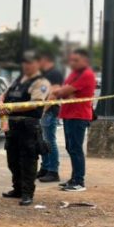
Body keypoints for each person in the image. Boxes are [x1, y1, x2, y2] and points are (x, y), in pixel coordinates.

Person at [0, 51, 51, 206]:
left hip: (28, 127)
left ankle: (27, 193)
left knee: (28, 161)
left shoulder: (41, 82)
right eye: (25, 62)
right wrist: (1, 102)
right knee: (12, 160)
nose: (27, 65)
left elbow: (34, 103)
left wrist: (9, 109)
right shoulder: (18, 80)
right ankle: (17, 189)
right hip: (13, 126)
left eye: (30, 62)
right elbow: (4, 94)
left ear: (37, 64)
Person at [51, 49, 97, 192]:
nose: (72, 63)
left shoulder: (87, 74)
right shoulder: (74, 74)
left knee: (76, 149)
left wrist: (63, 92)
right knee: (70, 148)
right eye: (71, 60)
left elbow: (61, 91)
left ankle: (79, 181)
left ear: (85, 60)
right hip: (68, 114)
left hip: (78, 115)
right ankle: (74, 178)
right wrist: (64, 92)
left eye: (76, 60)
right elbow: (62, 91)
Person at [37, 51, 65, 183]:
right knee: (43, 141)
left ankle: (53, 171)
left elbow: (53, 94)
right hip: (44, 111)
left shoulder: (54, 73)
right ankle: (45, 167)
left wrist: (42, 111)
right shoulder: (46, 74)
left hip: (49, 111)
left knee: (49, 141)